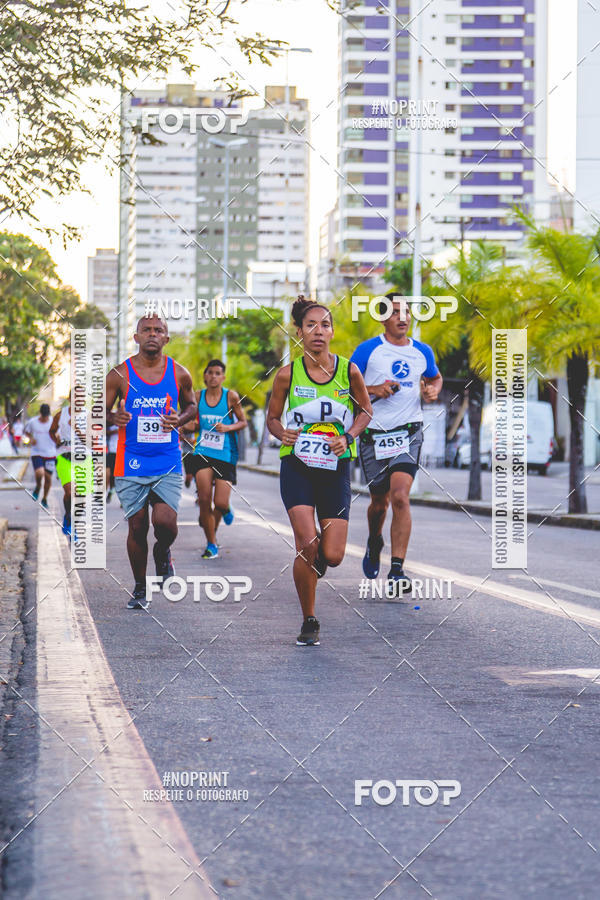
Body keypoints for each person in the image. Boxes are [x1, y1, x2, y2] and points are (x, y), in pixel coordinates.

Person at [267, 296, 372, 646]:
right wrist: (281, 433)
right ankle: (309, 619)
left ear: (332, 332)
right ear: (299, 332)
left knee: (333, 555)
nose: (318, 331)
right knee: (306, 544)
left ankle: (319, 559)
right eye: (310, 325)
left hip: (334, 467)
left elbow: (365, 412)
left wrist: (348, 436)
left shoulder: (348, 371)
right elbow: (272, 418)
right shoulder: (287, 374)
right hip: (296, 464)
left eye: (325, 325)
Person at [351, 294, 443, 594]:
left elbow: (435, 378)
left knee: (401, 496)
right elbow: (344, 387)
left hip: (408, 432)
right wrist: (373, 389)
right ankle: (374, 540)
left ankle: (397, 570)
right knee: (379, 503)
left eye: (406, 311)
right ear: (382, 318)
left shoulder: (422, 351)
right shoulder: (368, 350)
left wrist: (432, 391)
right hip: (373, 434)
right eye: (395, 312)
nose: (402, 317)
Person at [105, 314, 196, 610]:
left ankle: (162, 551)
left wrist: (179, 419)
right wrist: (113, 417)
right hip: (130, 461)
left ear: (166, 338)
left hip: (167, 460)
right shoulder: (120, 374)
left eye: (158, 330)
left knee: (165, 523)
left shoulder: (179, 373)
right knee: (137, 526)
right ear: (136, 337)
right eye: (146, 330)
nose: (152, 334)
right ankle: (140, 587)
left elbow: (191, 405)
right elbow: (98, 411)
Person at [186, 360, 247, 559]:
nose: (213, 376)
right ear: (205, 376)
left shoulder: (231, 397)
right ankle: (211, 544)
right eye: (210, 372)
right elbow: (194, 424)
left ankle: (225, 509)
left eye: (217, 373)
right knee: (204, 500)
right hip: (202, 451)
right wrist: (186, 426)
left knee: (219, 503)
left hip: (225, 454)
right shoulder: (197, 397)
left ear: (223, 377)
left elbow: (243, 422)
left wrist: (228, 427)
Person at [49, 392, 93, 539]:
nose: (79, 400)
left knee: (81, 498)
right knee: (69, 492)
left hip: (84, 459)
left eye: (81, 397)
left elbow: (91, 442)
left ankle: (73, 523)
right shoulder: (60, 415)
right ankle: (68, 516)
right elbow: (52, 431)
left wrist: (77, 429)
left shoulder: (88, 416)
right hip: (64, 457)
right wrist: (56, 440)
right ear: (70, 399)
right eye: (76, 397)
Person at [25, 403, 56, 509]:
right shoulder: (33, 422)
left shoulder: (53, 422)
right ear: (40, 414)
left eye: (47, 416)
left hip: (50, 453)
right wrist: (31, 439)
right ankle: (38, 487)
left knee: (48, 478)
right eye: (43, 416)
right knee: (40, 472)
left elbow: (59, 433)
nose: (45, 418)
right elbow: (26, 432)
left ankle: (44, 499)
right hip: (37, 452)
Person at [106, 422, 119, 503]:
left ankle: (123, 500)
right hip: (111, 451)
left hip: (123, 452)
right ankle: (110, 490)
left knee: (121, 476)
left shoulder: (128, 419)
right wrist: (115, 431)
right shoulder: (111, 420)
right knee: (109, 474)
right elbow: (104, 431)